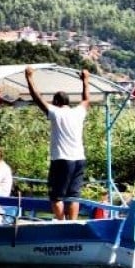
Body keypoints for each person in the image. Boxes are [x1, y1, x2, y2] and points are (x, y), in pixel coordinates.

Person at [25, 66, 91, 220]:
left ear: (56, 102)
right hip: (79, 159)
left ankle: (61, 223)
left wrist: (29, 78)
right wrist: (85, 80)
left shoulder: (55, 112)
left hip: (62, 159)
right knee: (74, 195)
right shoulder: (78, 112)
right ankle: (72, 224)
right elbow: (86, 99)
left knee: (56, 196)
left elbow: (37, 98)